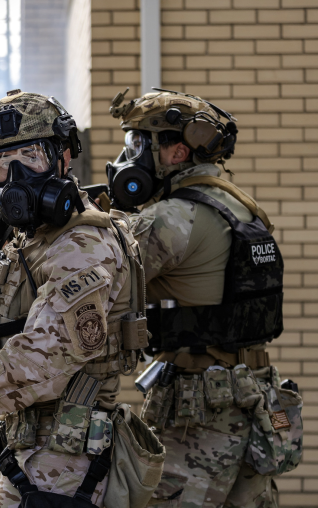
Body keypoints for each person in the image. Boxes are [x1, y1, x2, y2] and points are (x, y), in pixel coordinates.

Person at [0, 90, 163, 508]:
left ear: (63, 156)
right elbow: (22, 326)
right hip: (40, 454)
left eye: (30, 155)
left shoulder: (81, 243)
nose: (17, 174)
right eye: (3, 162)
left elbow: (43, 362)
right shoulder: (39, 240)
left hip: (67, 461)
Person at [105, 88, 302, 507]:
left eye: (139, 143)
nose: (131, 156)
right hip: (253, 398)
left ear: (177, 151)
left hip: (197, 414)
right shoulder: (239, 206)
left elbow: (98, 281)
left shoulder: (173, 217)